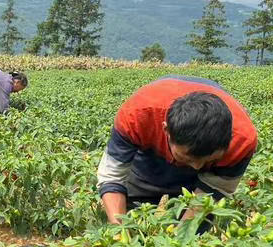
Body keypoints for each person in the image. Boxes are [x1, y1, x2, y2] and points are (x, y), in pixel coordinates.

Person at [97, 75, 257, 230]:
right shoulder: (137, 115)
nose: (196, 167)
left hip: (202, 181)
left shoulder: (241, 140)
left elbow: (213, 189)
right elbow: (112, 177)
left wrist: (181, 240)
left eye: (208, 159)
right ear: (166, 130)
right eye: (187, 157)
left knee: (196, 232)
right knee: (130, 218)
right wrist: (120, 232)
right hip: (148, 161)